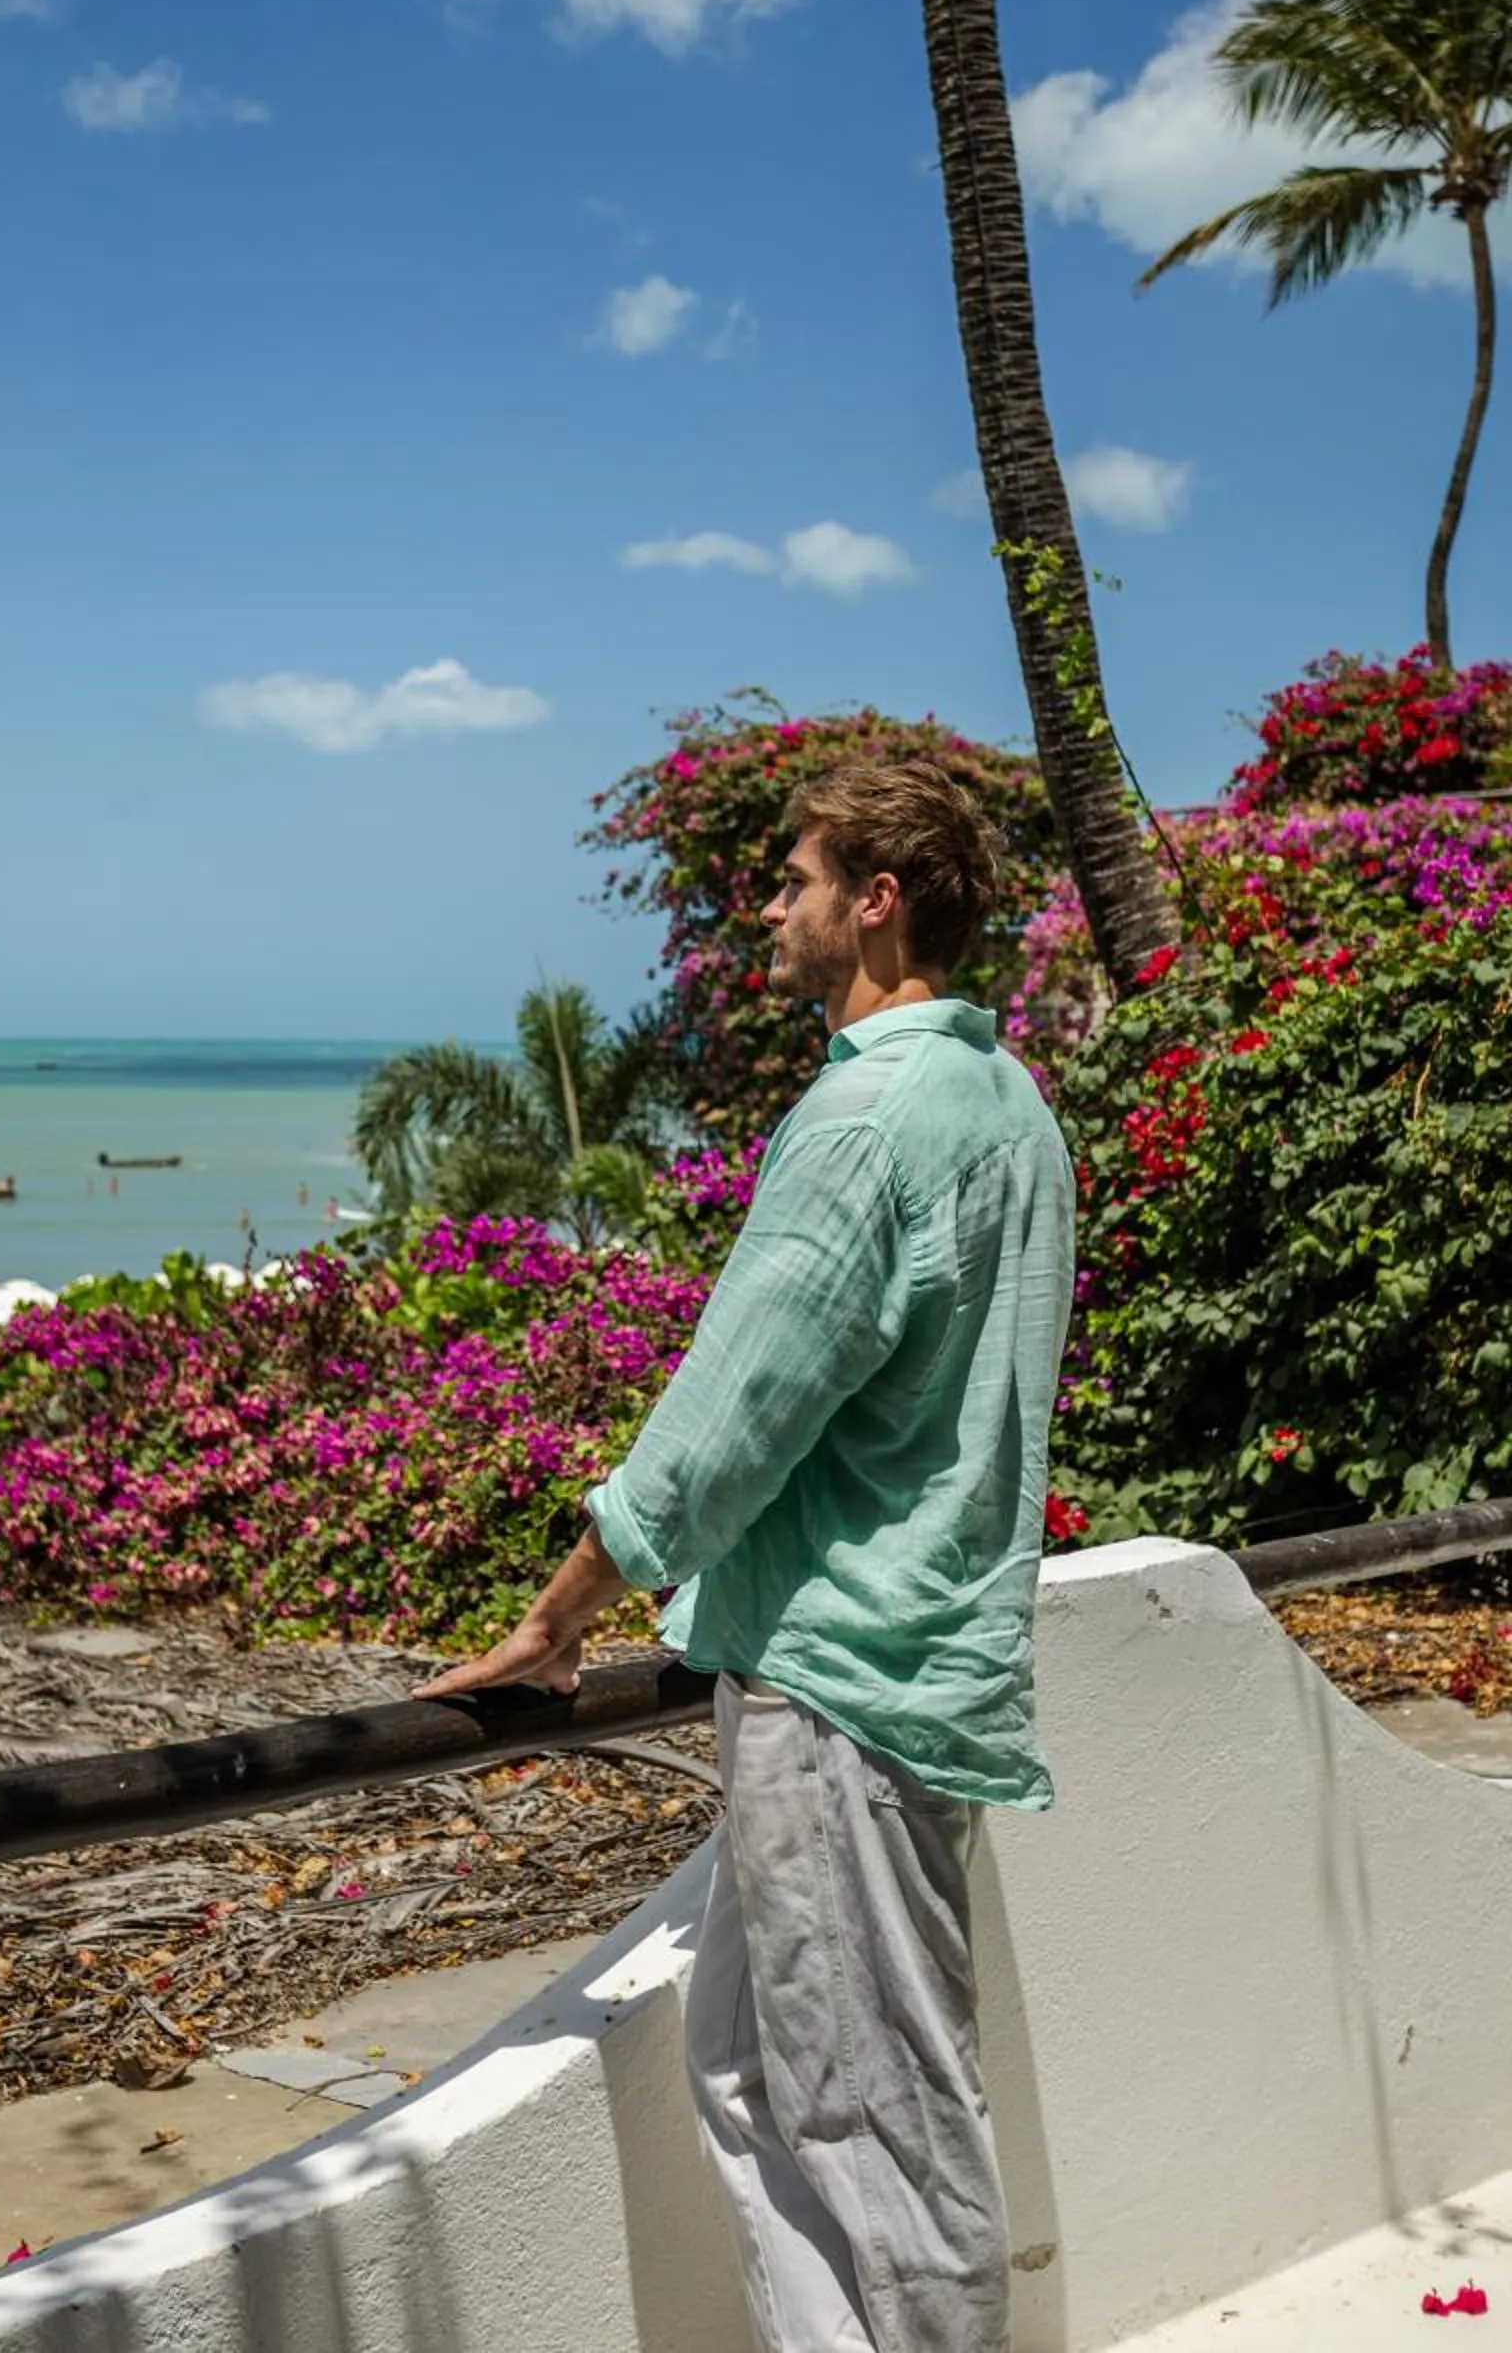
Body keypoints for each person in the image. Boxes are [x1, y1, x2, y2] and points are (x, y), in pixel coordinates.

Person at [417, 759, 1076, 2353]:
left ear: (878, 899)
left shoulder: (868, 1117)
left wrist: (561, 1613)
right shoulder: (1009, 1101)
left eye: (791, 879)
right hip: (911, 1660)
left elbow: (728, 1422)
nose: (767, 907)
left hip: (844, 1685)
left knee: (881, 2131)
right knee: (750, 2072)